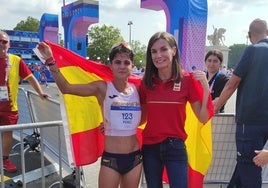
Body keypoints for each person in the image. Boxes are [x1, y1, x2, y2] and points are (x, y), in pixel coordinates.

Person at [37, 41, 143, 188]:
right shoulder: (102, 87)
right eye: (117, 62)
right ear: (110, 65)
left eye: (127, 62)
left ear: (132, 66)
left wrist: (114, 124)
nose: (122, 66)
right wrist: (50, 61)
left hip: (135, 158)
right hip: (111, 160)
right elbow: (66, 88)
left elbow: (146, 116)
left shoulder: (139, 90)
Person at [139, 31, 212, 188]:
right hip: (150, 148)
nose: (158, 55)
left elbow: (203, 118)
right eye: (154, 51)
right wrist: (113, 123)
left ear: (174, 50)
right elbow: (141, 119)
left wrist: (206, 91)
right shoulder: (145, 84)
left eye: (163, 49)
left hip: (176, 147)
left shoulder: (187, 81)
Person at [214, 18, 268, 188]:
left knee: (249, 166)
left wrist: (215, 105)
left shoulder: (253, 50)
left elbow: (232, 83)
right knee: (244, 165)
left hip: (250, 121)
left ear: (250, 35)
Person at [0, 30, 48, 173]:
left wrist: (40, 93)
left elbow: (31, 77)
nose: (2, 44)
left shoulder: (16, 60)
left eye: (4, 41)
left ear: (9, 44)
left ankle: (5, 160)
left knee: (8, 134)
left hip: (9, 107)